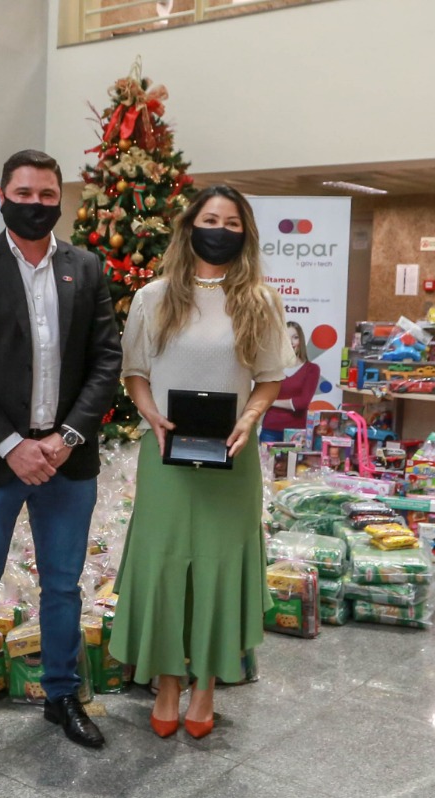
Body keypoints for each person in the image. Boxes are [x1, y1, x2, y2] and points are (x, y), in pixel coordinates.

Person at [0, 149, 122, 756]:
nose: (36, 204)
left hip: (68, 457)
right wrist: (15, 445)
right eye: (25, 193)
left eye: (48, 195)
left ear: (60, 200)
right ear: (2, 195)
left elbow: (106, 362)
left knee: (64, 586)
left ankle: (62, 695)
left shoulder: (88, 268)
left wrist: (66, 438)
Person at [107, 185, 294, 739]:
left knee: (217, 562)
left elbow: (269, 377)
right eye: (211, 219)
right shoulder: (153, 297)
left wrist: (251, 418)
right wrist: (152, 416)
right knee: (165, 561)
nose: (220, 229)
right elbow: (135, 371)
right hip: (164, 452)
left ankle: (207, 680)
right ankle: (167, 679)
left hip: (231, 455)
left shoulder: (260, 299)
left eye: (232, 222)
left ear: (246, 234)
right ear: (190, 227)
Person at [259, 321, 321, 442]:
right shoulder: (271, 367)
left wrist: (270, 401)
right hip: (270, 429)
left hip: (297, 432)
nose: (291, 342)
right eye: (286, 338)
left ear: (301, 341)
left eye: (295, 337)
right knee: (267, 462)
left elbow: (301, 403)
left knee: (297, 462)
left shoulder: (311, 369)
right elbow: (261, 396)